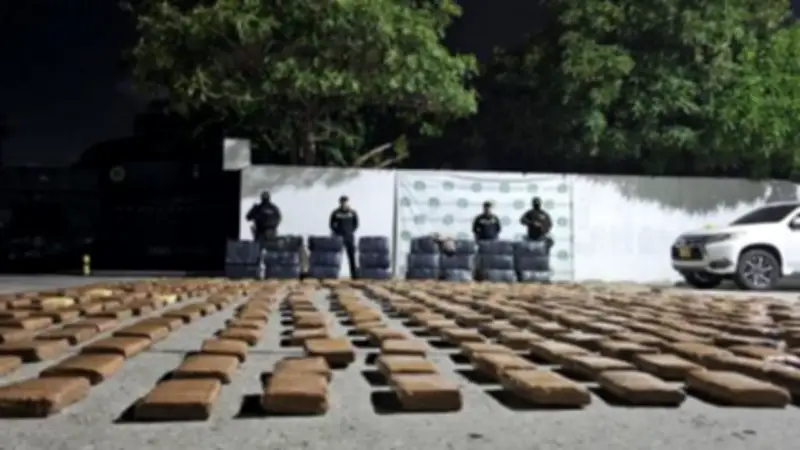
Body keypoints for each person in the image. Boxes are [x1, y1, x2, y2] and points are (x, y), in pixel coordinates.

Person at [245, 191, 282, 278]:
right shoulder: (274, 208)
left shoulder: (258, 208)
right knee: (271, 254)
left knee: (258, 253)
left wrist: (254, 212)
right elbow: (279, 218)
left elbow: (248, 217)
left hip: (261, 233)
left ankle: (258, 272)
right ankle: (272, 272)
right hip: (271, 234)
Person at [329, 195, 359, 278]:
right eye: (342, 203)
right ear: (340, 203)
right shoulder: (335, 213)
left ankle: (354, 275)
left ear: (348, 203)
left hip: (349, 237)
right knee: (337, 257)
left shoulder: (352, 213)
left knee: (352, 257)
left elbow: (356, 224)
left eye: (345, 203)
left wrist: (350, 231)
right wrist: (337, 232)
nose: (344, 204)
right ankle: (335, 275)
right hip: (339, 238)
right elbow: (331, 224)